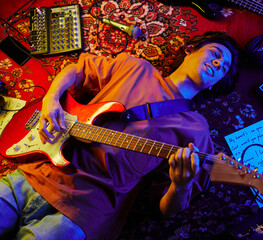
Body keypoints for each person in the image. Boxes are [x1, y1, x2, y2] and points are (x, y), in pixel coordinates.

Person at [0, 31, 240, 240]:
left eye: (224, 67)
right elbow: (75, 70)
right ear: (190, 50)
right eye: (215, 54)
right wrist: (50, 100)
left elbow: (168, 211)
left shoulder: (198, 132)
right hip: (36, 173)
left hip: (83, 211)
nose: (218, 64)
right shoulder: (137, 68)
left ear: (214, 85)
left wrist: (181, 185)